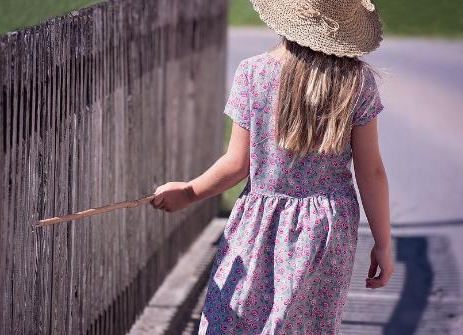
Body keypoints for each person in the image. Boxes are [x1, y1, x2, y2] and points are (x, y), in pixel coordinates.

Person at [150, 0, 394, 333]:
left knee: (236, 315)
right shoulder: (357, 82)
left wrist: (189, 192)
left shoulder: (254, 73)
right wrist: (382, 243)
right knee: (306, 324)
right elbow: (372, 173)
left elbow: (237, 165)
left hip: (260, 221)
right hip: (327, 228)